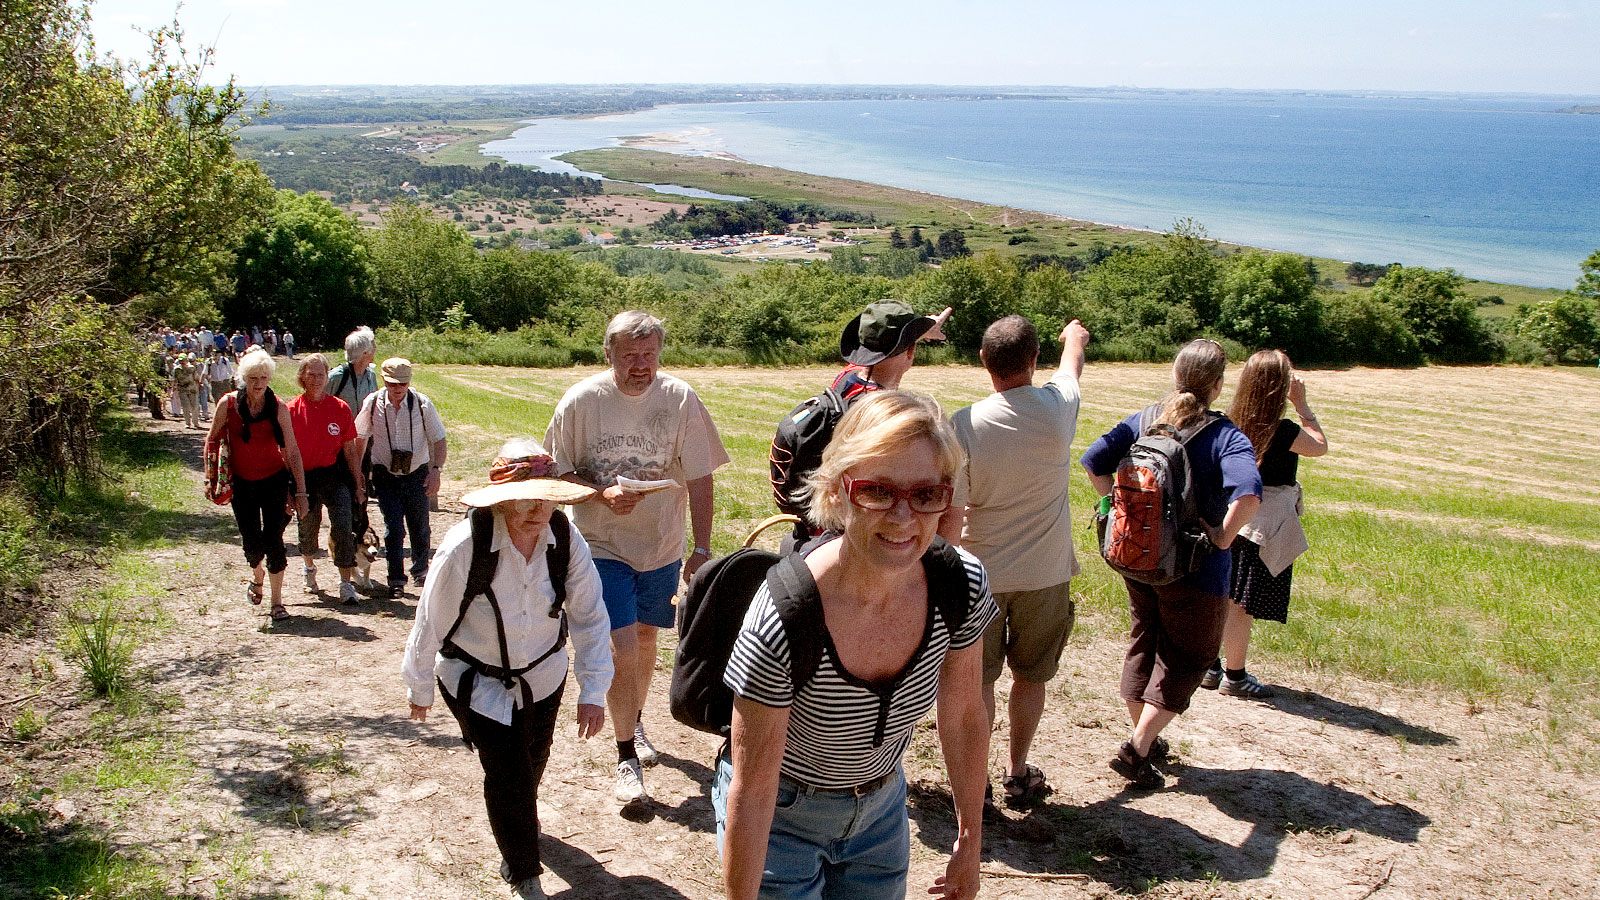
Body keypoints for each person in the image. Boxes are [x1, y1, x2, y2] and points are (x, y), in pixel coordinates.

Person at [716, 390, 997, 900]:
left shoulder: (961, 585)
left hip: (882, 813)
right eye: (878, 491)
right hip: (782, 817)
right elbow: (753, 789)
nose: (904, 517)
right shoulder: (786, 615)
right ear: (839, 490)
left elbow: (962, 715)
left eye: (927, 494)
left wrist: (969, 840)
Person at [402, 439, 612, 900]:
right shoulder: (466, 545)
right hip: (474, 679)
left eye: (546, 495)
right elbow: (429, 619)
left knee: (533, 760)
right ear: (501, 499)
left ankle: (517, 826)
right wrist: (420, 686)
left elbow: (590, 614)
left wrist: (593, 689)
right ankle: (523, 869)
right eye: (525, 497)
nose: (537, 508)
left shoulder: (566, 540)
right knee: (508, 772)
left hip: (544, 674)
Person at [544, 310, 729, 807]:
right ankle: (626, 756)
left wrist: (703, 547)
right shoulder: (582, 401)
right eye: (630, 356)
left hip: (660, 547)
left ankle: (633, 717)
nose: (641, 365)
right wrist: (601, 493)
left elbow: (701, 476)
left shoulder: (679, 398)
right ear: (609, 355)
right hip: (600, 545)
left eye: (649, 355)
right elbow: (555, 475)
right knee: (620, 644)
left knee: (646, 640)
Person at [1079, 338, 1262, 789]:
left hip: (1136, 557)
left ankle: (1144, 737)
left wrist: (1116, 511)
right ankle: (1139, 747)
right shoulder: (1224, 436)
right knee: (1191, 656)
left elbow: (1092, 459)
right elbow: (1250, 493)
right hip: (1196, 569)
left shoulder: (1145, 420)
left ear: (1175, 376)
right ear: (1218, 386)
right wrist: (1222, 536)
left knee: (1145, 640)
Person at [945, 316, 1089, 807]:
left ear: (984, 362)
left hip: (978, 576)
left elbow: (954, 513)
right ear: (1034, 360)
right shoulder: (1058, 409)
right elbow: (1072, 367)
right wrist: (1073, 339)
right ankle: (1018, 770)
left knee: (976, 683)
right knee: (1031, 678)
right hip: (1045, 575)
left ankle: (976, 784)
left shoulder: (963, 424)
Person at [1200, 350, 1328, 698]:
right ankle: (1235, 676)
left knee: (1223, 598)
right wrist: (1303, 405)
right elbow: (1319, 447)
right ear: (1280, 387)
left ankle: (1210, 667)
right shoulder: (1284, 430)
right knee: (1242, 607)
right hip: (1262, 527)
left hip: (1229, 517)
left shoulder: (1228, 422)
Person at [775, 300, 951, 548]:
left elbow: (882, 351)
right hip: (854, 539)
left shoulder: (848, 378)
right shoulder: (884, 418)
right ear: (910, 352)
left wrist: (920, 331)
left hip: (816, 531)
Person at [204, 349, 310, 621]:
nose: (259, 383)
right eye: (253, 377)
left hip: (274, 480)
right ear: (243, 378)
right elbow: (212, 439)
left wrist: (300, 491)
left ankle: (277, 602)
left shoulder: (278, 407)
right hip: (242, 483)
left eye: (264, 377)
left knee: (274, 539)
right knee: (252, 542)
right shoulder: (228, 404)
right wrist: (212, 477)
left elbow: (293, 451)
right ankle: (257, 573)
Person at [354, 358, 448, 598]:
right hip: (385, 474)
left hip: (417, 474)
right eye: (393, 384)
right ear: (384, 381)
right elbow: (360, 438)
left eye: (403, 384)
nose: (398, 389)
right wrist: (358, 473)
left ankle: (421, 571)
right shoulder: (373, 403)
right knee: (393, 528)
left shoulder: (421, 403)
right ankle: (396, 579)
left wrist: (436, 470)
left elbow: (439, 439)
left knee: (420, 526)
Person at [287, 354, 364, 605]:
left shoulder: (340, 408)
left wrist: (358, 483)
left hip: (333, 475)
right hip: (304, 478)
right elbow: (285, 452)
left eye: (322, 374)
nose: (317, 379)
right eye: (312, 374)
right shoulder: (290, 410)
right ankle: (309, 567)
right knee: (308, 526)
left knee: (342, 525)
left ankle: (345, 583)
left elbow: (350, 449)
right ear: (302, 377)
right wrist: (290, 488)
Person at [329, 327, 381, 547]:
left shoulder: (370, 375)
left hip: (365, 443)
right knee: (346, 486)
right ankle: (344, 532)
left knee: (362, 485)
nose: (375, 350)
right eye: (372, 347)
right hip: (340, 445)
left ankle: (359, 530)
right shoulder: (337, 377)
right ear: (364, 352)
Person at [172, 352, 204, 429]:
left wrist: (200, 385)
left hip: (193, 389)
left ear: (186, 360)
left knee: (194, 406)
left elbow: (196, 378)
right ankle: (187, 423)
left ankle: (195, 423)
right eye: (180, 361)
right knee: (185, 406)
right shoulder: (177, 369)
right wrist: (173, 390)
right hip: (182, 390)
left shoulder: (192, 368)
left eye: (183, 360)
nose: (182, 362)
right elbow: (174, 380)